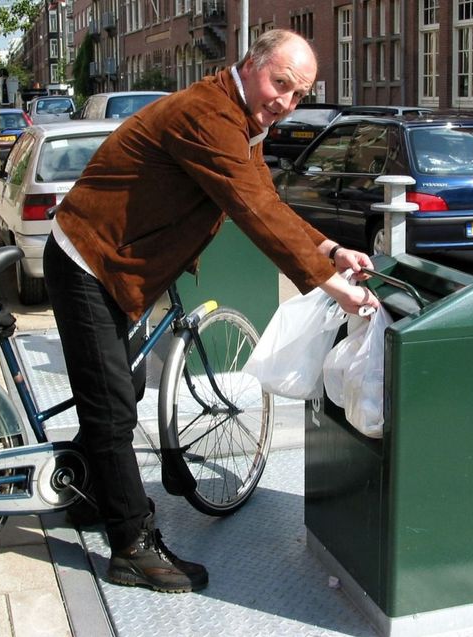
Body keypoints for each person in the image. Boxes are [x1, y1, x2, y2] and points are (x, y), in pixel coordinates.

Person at [43, 29, 380, 594]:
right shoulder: (209, 115)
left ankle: (83, 491)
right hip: (88, 262)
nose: (285, 102)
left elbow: (266, 200)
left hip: (118, 267)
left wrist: (330, 250)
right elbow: (252, 211)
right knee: (112, 411)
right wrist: (330, 286)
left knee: (116, 397)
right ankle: (131, 545)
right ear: (249, 65)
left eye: (298, 95)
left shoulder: (242, 123)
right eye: (280, 84)